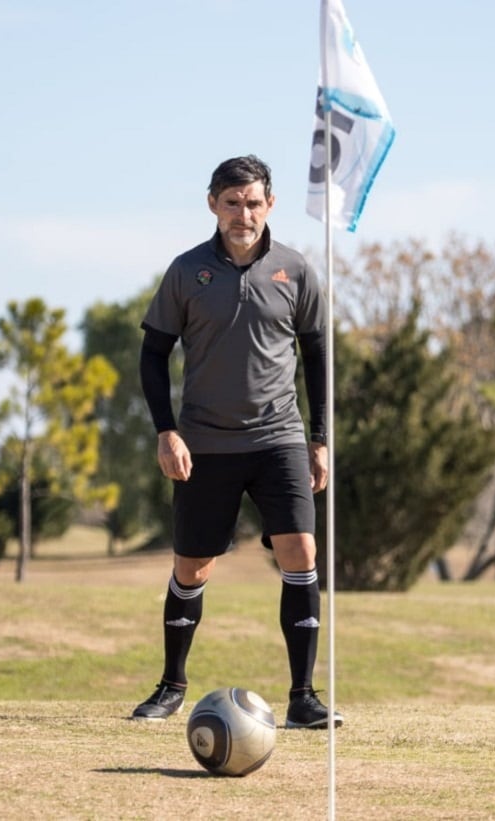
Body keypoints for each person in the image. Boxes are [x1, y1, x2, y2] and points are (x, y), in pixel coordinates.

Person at [130, 155, 341, 730]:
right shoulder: (186, 271)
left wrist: (320, 440)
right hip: (204, 444)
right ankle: (171, 686)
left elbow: (319, 356)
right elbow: (153, 354)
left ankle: (303, 696)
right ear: (213, 205)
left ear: (269, 204)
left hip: (279, 439)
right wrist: (166, 431)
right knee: (193, 566)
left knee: (301, 552)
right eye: (231, 202)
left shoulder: (296, 270)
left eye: (252, 202)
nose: (242, 213)